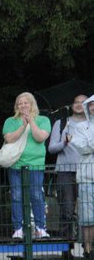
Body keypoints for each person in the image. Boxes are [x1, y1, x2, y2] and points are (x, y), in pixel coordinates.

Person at [2, 92, 52, 239]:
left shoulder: (43, 120)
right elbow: (9, 139)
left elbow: (40, 137)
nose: (23, 105)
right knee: (17, 196)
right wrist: (22, 126)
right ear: (16, 106)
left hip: (35, 165)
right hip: (16, 165)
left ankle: (40, 227)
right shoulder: (10, 121)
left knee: (37, 196)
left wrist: (31, 122)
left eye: (26, 102)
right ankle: (18, 228)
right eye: (20, 103)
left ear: (32, 104)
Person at [48, 95, 88, 240]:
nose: (79, 104)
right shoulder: (61, 123)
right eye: (76, 102)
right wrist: (64, 143)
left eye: (83, 102)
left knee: (88, 211)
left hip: (88, 172)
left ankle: (88, 249)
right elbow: (51, 148)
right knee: (67, 210)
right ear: (72, 105)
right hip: (65, 172)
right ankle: (67, 249)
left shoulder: (92, 124)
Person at [72, 96, 94, 258]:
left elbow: (88, 144)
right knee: (87, 217)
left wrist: (89, 143)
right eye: (91, 105)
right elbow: (81, 147)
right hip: (86, 177)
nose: (93, 108)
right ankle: (88, 250)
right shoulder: (80, 126)